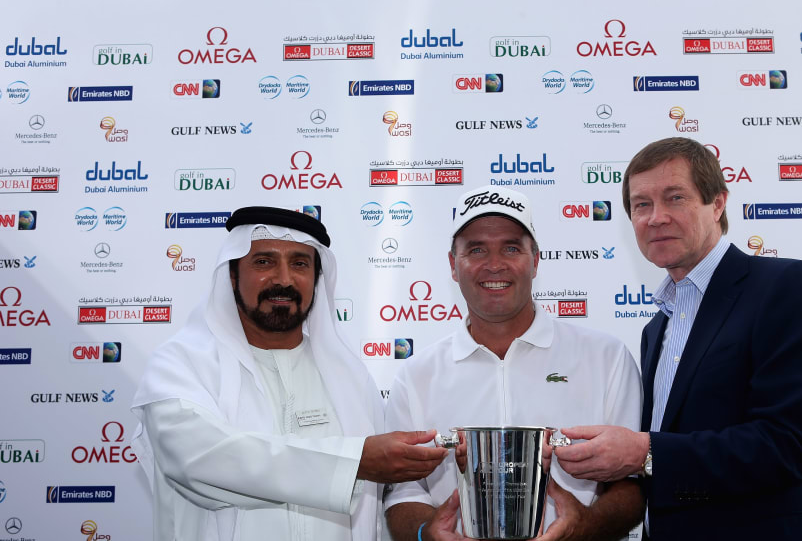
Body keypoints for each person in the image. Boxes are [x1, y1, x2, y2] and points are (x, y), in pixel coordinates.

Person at [554, 138, 802, 540]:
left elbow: (788, 444)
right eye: (641, 205)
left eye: (675, 198)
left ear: (718, 204)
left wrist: (644, 453)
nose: (656, 217)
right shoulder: (655, 330)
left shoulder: (787, 286)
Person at [131, 206, 448, 541]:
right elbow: (198, 460)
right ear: (233, 275)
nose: (283, 279)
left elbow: (371, 515)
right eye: (264, 262)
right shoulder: (181, 365)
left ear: (316, 278)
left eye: (299, 263)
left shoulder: (350, 377)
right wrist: (355, 462)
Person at [383, 186, 645, 541]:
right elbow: (404, 493)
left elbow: (631, 484)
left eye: (511, 247)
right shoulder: (416, 376)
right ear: (453, 265)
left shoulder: (607, 357)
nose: (494, 264)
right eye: (476, 249)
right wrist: (427, 533)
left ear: (535, 260)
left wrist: (586, 527)